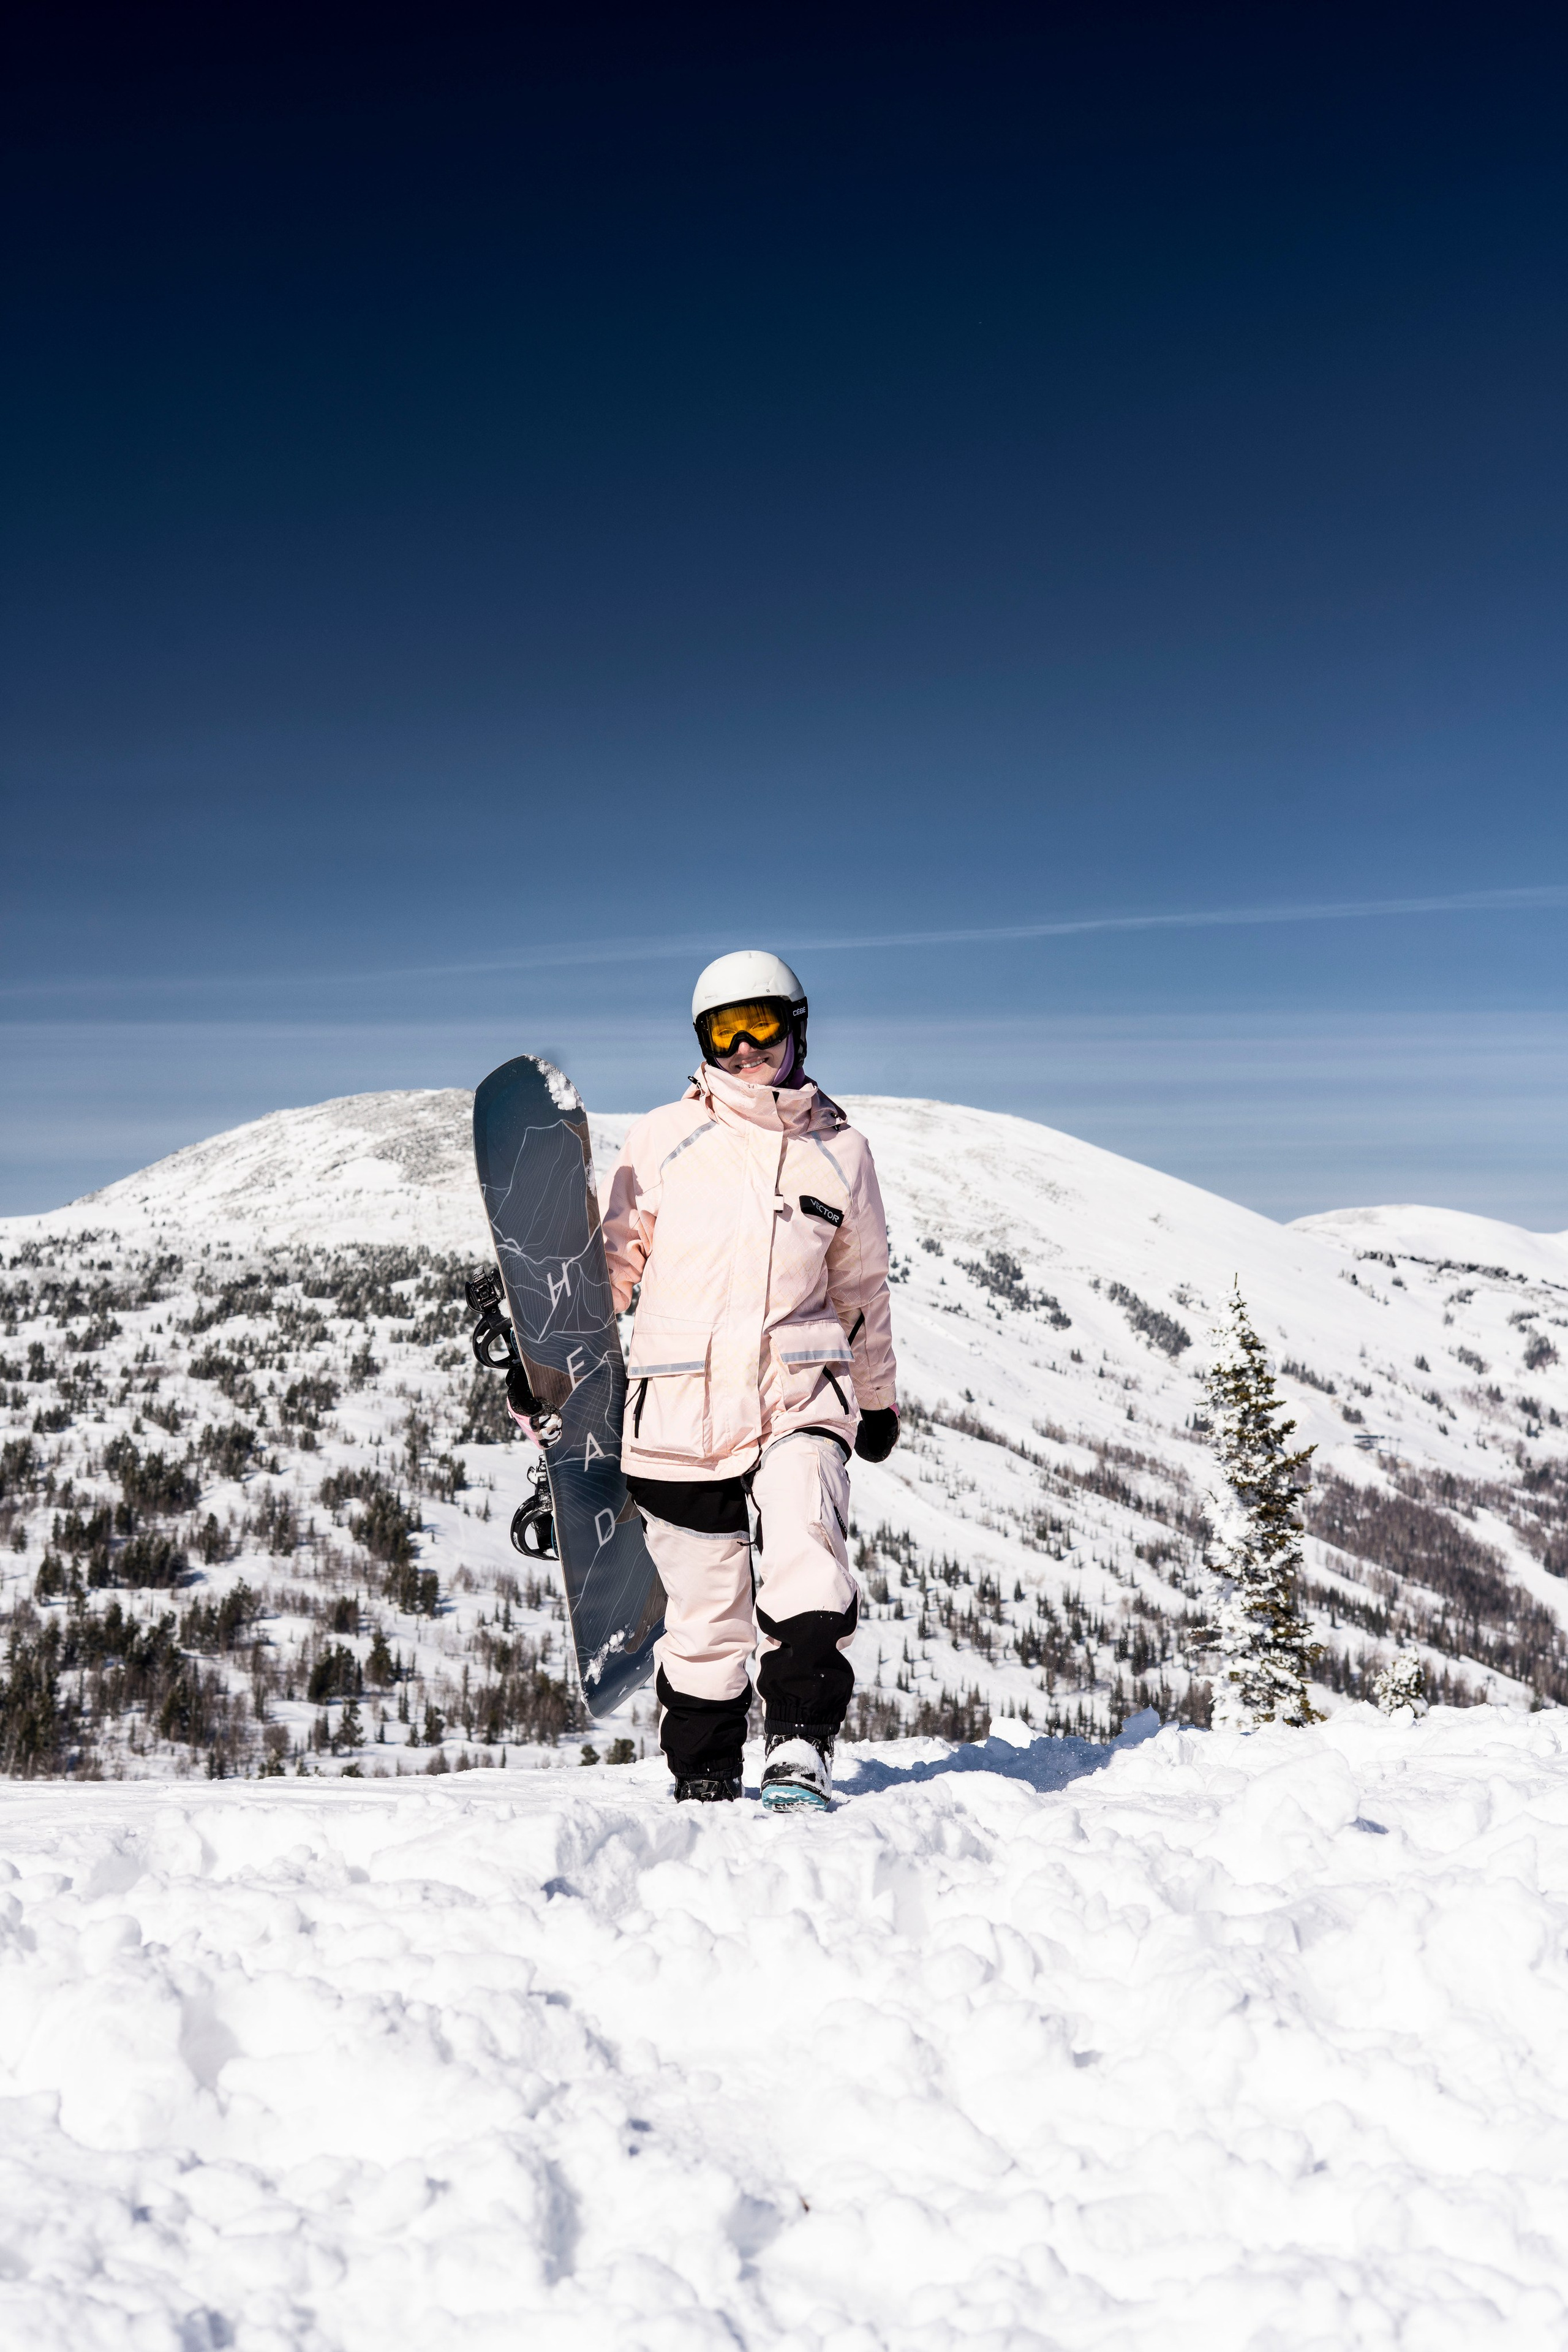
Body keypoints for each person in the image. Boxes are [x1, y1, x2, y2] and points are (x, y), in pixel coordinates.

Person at [597, 949, 899, 1808]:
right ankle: (704, 1775)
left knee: (807, 1544)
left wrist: (874, 1398)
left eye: (761, 1026)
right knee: (703, 1614)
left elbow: (860, 1287)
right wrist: (552, 1339)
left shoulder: (842, 1150)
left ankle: (801, 1741)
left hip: (798, 1395)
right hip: (676, 1410)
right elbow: (616, 1263)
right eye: (723, 1033)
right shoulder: (664, 1135)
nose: (745, 1049)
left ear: (797, 1028)